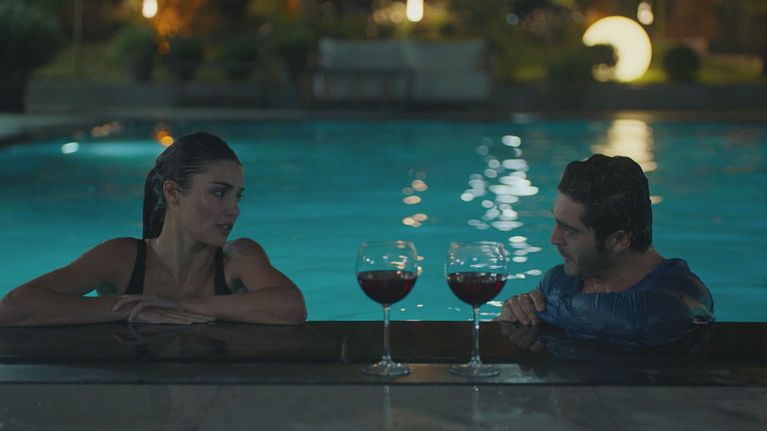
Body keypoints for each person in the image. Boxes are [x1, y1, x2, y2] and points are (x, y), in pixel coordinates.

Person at [0, 132, 306, 326]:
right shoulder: (122, 258)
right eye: (218, 192)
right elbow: (13, 308)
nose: (234, 209)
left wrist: (181, 306)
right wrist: (130, 309)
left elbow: (290, 307)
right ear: (173, 193)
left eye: (237, 196)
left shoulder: (238, 258)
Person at [496, 154, 714, 346]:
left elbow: (637, 321)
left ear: (619, 239)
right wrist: (515, 312)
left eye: (569, 230)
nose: (554, 239)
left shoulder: (680, 290)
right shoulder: (560, 281)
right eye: (557, 222)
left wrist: (547, 308)